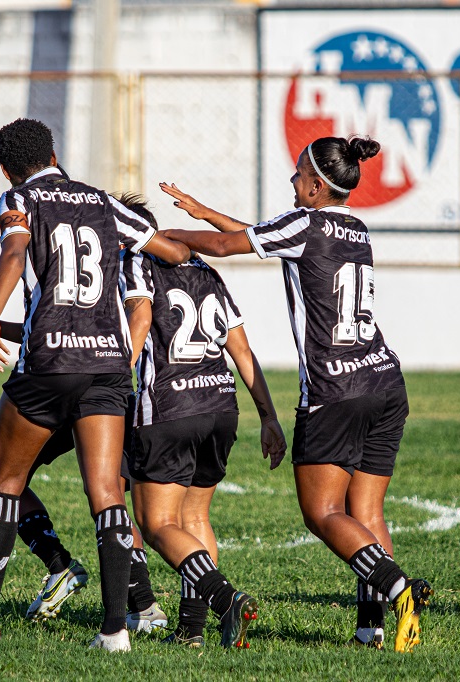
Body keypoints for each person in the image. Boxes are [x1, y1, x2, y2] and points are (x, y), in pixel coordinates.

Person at [158, 135, 433, 653]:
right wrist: (203, 211)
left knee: (322, 513)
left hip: (337, 391)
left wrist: (159, 235)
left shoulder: (303, 224)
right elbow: (253, 235)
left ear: (314, 185)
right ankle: (371, 630)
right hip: (384, 381)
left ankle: (399, 588)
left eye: (297, 174)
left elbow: (225, 247)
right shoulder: (356, 228)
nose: (291, 181)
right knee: (366, 513)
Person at [0, 118, 189, 652]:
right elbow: (171, 253)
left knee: (4, 481)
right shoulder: (101, 200)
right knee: (105, 494)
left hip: (50, 361)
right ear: (54, 153)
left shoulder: (18, 198)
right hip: (106, 366)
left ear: (6, 168)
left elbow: (13, 251)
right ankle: (116, 630)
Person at [117, 194, 286, 649]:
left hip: (169, 408)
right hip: (221, 406)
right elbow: (242, 350)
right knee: (194, 516)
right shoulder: (206, 272)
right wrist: (268, 416)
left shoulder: (133, 262)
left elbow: (140, 319)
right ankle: (192, 630)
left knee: (155, 524)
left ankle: (224, 597)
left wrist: (117, 377)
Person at [0, 296, 167, 632]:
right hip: (103, 378)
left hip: (61, 375)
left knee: (6, 479)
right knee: (108, 490)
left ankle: (44, 577)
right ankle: (140, 608)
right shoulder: (119, 252)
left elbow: (138, 313)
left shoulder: (99, 248)